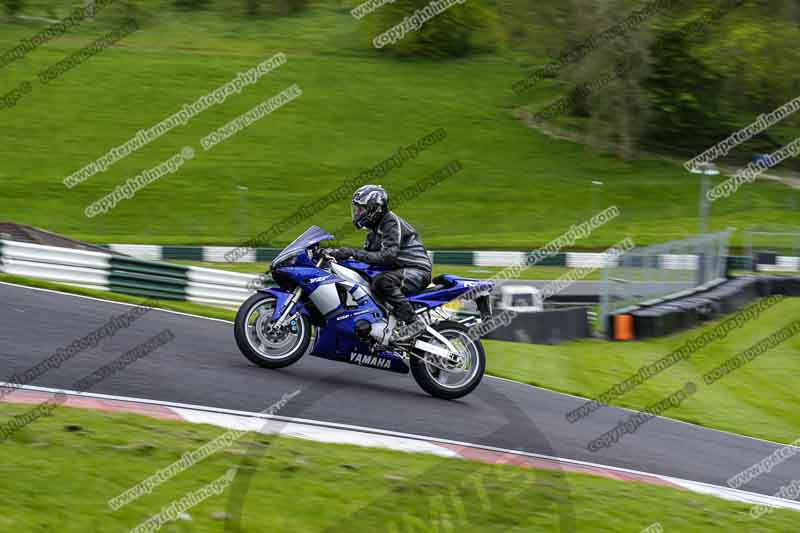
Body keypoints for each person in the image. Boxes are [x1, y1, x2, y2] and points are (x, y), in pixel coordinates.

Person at [326, 185, 432, 341]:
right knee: (363, 279)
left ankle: (414, 323)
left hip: (416, 270)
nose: (357, 213)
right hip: (398, 270)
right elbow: (365, 259)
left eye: (360, 209)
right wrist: (336, 255)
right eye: (356, 209)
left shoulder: (390, 222)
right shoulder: (373, 232)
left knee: (382, 282)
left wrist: (352, 252)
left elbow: (388, 256)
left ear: (374, 208)